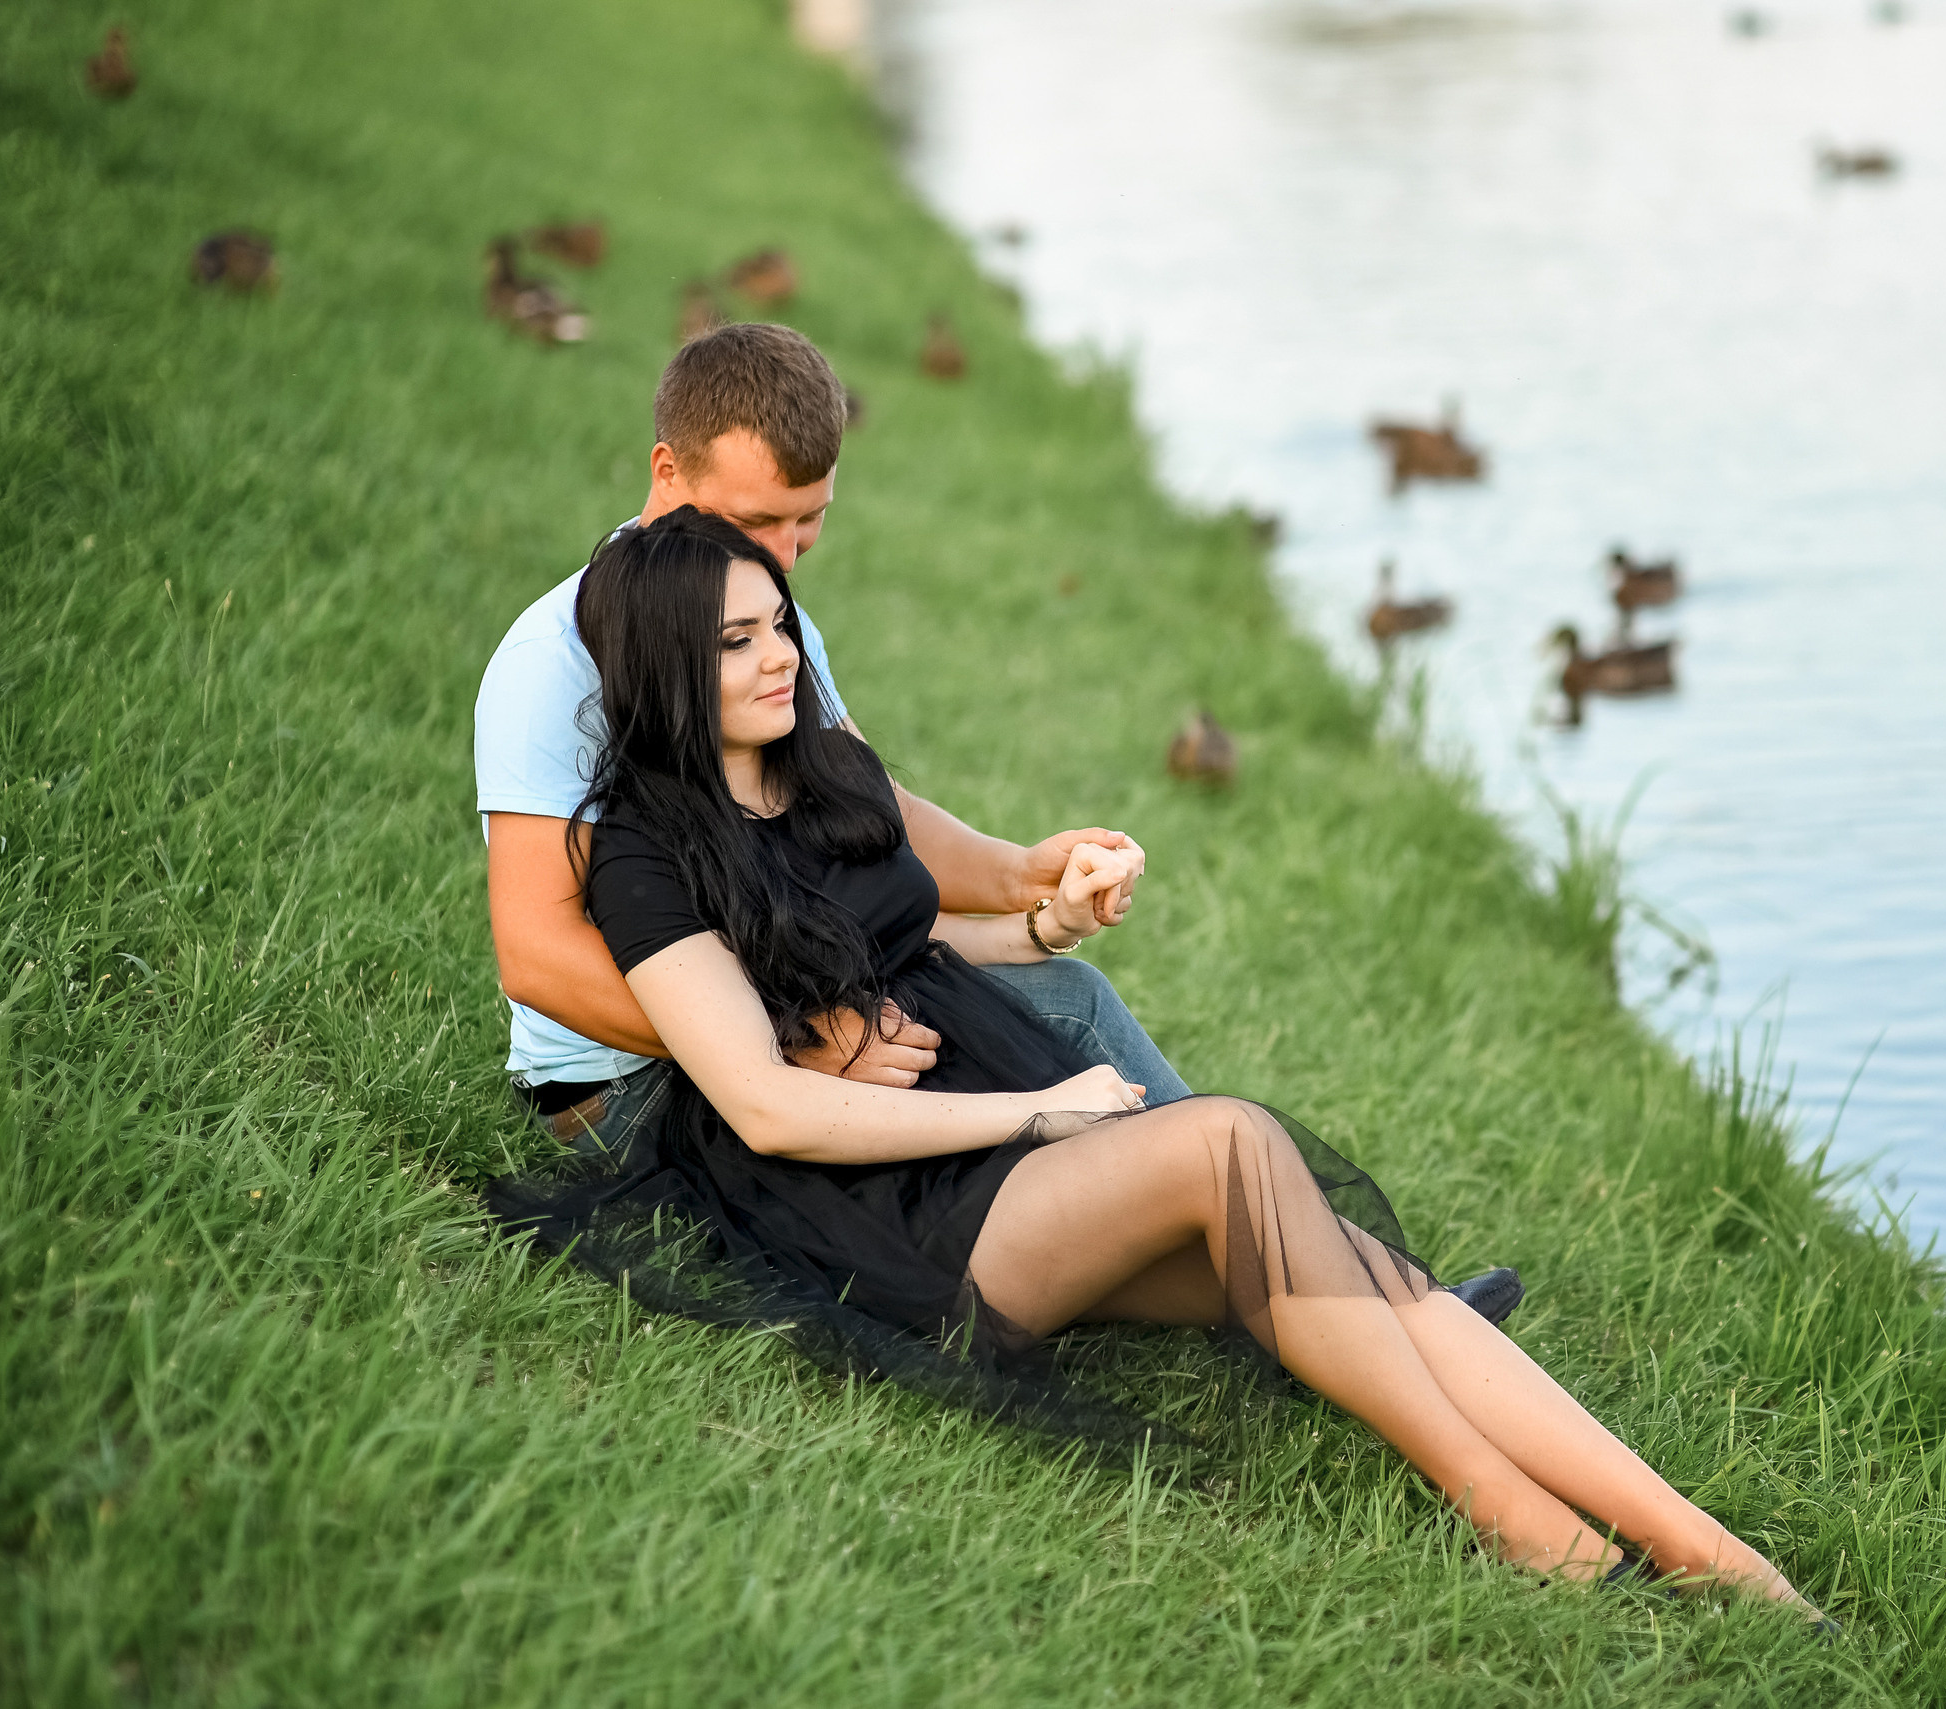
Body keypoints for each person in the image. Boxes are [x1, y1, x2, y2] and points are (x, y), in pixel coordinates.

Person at [488, 511, 1818, 1612]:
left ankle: (1709, 1549)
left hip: (991, 1153)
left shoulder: (824, 762)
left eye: (778, 619)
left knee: (1366, 1269)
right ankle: (1535, 1531)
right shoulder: (647, 853)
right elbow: (769, 1109)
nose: (782, 653)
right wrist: (1045, 1111)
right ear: (667, 668)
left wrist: (1042, 922)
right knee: (1229, 1139)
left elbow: (897, 929)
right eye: (737, 642)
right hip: (890, 1218)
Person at [473, 322, 1523, 1322]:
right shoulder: (551, 664)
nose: (789, 554)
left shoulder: (751, 603)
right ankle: (1321, 1282)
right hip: (635, 1086)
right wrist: (792, 1038)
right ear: (668, 474)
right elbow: (538, 957)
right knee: (1024, 1049)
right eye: (761, 522)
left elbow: (858, 813)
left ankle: (1322, 1273)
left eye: (812, 518)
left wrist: (1023, 870)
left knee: (1060, 988)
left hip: (782, 1001)